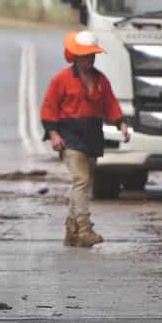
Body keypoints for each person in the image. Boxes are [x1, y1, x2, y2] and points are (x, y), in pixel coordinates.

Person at [41, 30, 131, 248]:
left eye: (92, 55)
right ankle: (84, 229)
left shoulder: (101, 80)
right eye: (85, 55)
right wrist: (53, 134)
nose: (90, 59)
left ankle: (71, 233)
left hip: (92, 135)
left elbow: (110, 104)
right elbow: (48, 108)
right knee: (81, 180)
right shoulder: (60, 80)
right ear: (74, 56)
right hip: (69, 136)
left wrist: (122, 124)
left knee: (83, 184)